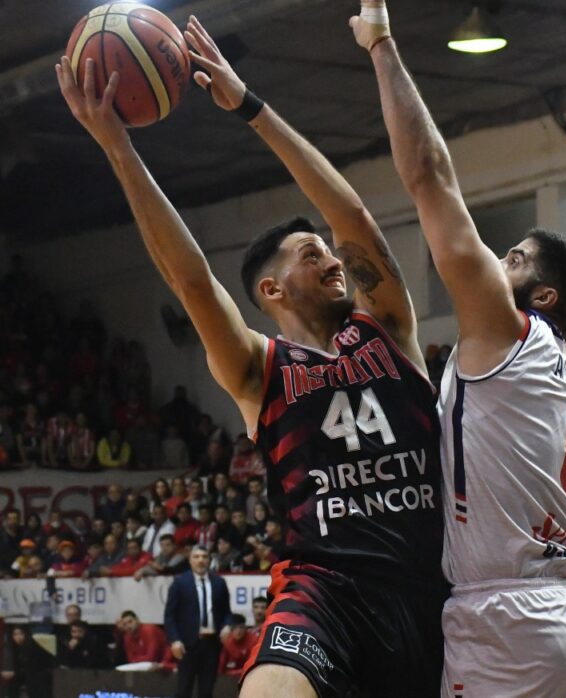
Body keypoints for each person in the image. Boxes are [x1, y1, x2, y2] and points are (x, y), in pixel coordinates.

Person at [59, 13, 447, 696]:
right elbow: (189, 278)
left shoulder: (388, 328)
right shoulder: (257, 368)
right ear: (271, 289)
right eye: (309, 253)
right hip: (320, 591)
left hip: (427, 593)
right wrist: (118, 148)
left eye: (327, 250)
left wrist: (252, 109)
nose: (331, 257)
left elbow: (352, 216)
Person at [351, 6, 566, 697]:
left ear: (542, 299)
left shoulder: (507, 332)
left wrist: (382, 44)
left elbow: (429, 176)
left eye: (515, 257)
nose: (496, 262)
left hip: (511, 621)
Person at [164, 546, 231, 698]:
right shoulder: (179, 583)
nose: (200, 560)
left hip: (212, 644)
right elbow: (170, 615)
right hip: (187, 645)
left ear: (209, 560)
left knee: (207, 691)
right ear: (190, 560)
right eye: (196, 557)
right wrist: (174, 640)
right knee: (183, 689)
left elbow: (226, 611)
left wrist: (227, 625)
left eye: (204, 557)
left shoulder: (219, 582)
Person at [1, 626, 54, 698]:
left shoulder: (31, 645)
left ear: (26, 634)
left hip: (41, 675)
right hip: (28, 675)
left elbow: (31, 668)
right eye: (15, 634)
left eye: (21, 634)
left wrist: (14, 674)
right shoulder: (15, 648)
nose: (18, 637)